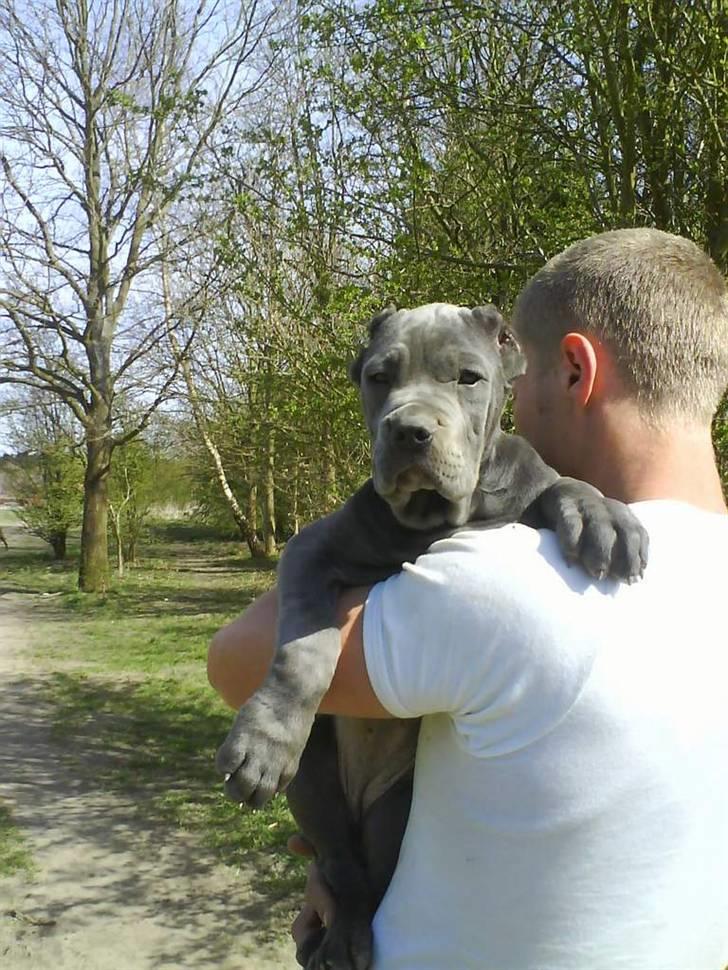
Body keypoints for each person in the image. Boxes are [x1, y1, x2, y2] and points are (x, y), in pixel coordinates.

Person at [207, 228, 728, 969]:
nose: (414, 414)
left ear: (574, 371)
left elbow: (231, 662)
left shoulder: (494, 586)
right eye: (382, 381)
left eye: (491, 383)